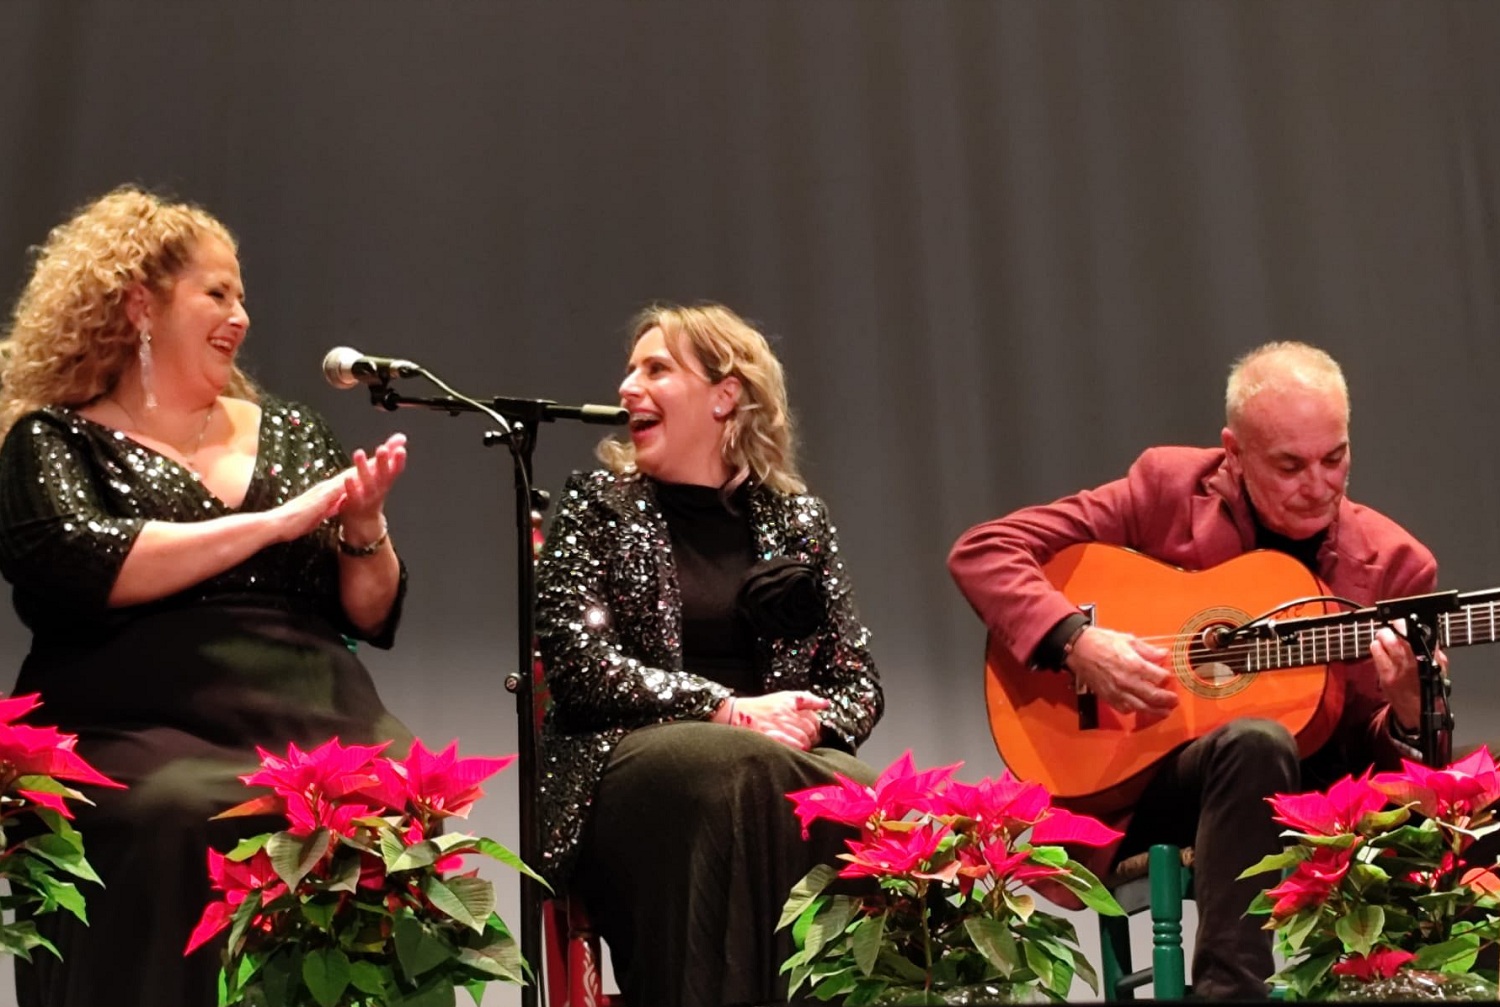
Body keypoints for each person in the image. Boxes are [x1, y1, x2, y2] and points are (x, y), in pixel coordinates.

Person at [0, 187, 413, 1007]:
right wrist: (271, 524)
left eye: (244, 295)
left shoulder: (293, 432)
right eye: (217, 293)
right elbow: (87, 561)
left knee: (391, 795)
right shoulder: (54, 437)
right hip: (132, 718)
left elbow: (367, 612)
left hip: (310, 709)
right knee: (182, 812)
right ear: (139, 304)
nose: (241, 314)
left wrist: (364, 528)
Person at [948, 342, 1438, 999]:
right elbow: (985, 549)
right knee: (1254, 738)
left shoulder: (1396, 565)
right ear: (1233, 452)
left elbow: (1379, 760)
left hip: (1310, 800)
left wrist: (1408, 708)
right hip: (1153, 787)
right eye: (1290, 465)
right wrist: (1078, 641)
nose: (1319, 484)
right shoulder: (1169, 489)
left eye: (1335, 457)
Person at [535, 303, 884, 1007]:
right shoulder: (599, 505)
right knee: (740, 769)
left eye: (656, 368)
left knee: (858, 791)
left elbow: (859, 681)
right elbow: (576, 662)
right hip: (625, 758)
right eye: (630, 369)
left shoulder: (798, 520)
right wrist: (726, 708)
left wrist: (808, 722)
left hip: (766, 762)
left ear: (726, 395)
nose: (629, 386)